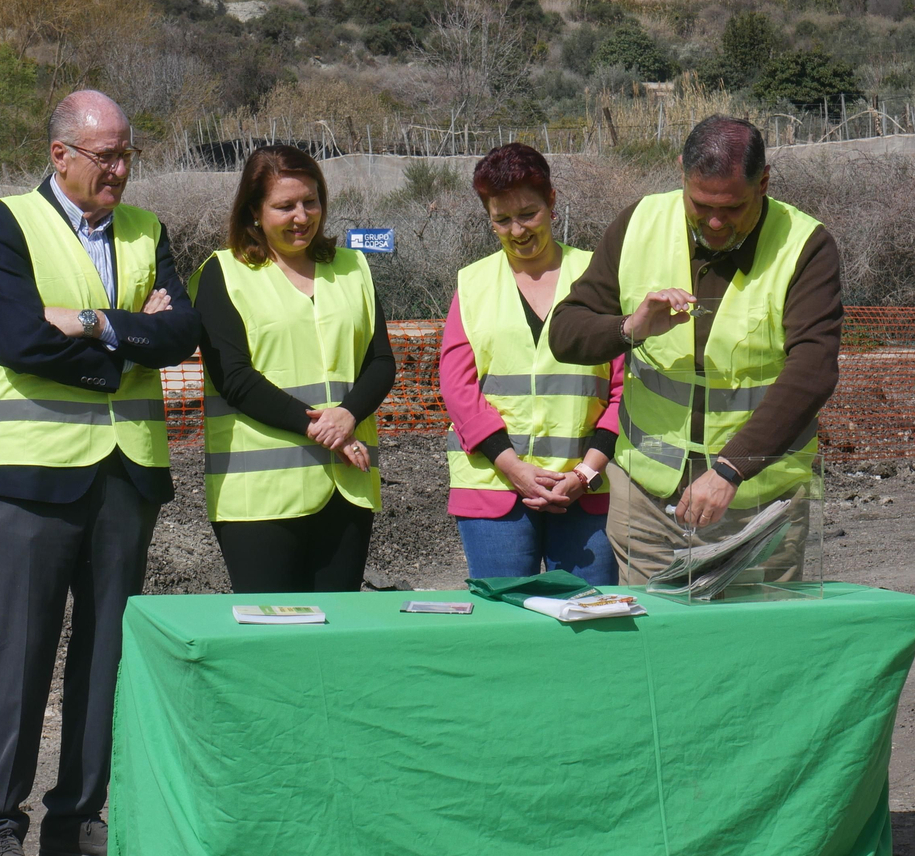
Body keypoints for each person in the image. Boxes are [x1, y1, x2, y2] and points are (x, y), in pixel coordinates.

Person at [0, 90, 201, 856]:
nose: (120, 170)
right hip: (33, 476)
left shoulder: (147, 230)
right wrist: (131, 330)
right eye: (105, 156)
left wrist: (96, 325)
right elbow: (22, 339)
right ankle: (0, 823)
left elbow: (182, 332)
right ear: (60, 154)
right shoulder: (7, 225)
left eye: (127, 153)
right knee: (21, 656)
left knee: (105, 655)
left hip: (123, 474)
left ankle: (77, 817)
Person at [547, 115, 843, 582]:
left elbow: (813, 371)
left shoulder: (805, 246)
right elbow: (565, 332)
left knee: (754, 650)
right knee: (655, 649)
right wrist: (630, 327)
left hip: (758, 506)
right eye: (701, 205)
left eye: (734, 207)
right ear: (681, 171)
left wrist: (731, 469)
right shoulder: (638, 223)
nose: (716, 221)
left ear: (764, 182)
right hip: (646, 504)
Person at [191, 144, 396, 592]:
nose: (302, 216)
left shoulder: (353, 267)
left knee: (334, 638)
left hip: (347, 488)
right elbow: (235, 379)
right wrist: (323, 428)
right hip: (259, 498)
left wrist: (348, 415)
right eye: (284, 206)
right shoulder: (222, 273)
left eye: (311, 201)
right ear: (253, 212)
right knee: (273, 642)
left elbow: (380, 361)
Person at [439, 143, 622, 584]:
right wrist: (513, 467)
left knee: (588, 623)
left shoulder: (599, 278)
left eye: (528, 214)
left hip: (584, 490)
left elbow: (624, 387)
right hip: (493, 487)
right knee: (504, 627)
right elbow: (458, 388)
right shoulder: (474, 282)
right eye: (502, 219)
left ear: (552, 201)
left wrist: (585, 472)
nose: (517, 230)